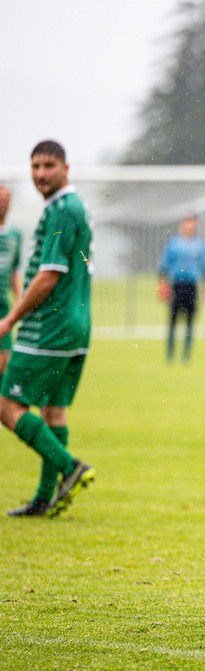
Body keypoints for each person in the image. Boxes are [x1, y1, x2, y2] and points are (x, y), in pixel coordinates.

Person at [1, 141, 95, 517]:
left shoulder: (61, 209)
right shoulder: (76, 207)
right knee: (54, 411)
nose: (41, 173)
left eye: (49, 165)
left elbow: (47, 277)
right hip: (77, 327)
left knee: (7, 405)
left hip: (49, 329)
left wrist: (10, 320)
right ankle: (43, 499)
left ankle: (70, 467)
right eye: (35, 166)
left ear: (65, 168)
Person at [158, 214, 205, 362]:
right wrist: (162, 286)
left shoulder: (200, 245)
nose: (190, 226)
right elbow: (163, 266)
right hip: (176, 286)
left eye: (192, 223)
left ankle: (186, 355)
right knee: (173, 321)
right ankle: (169, 353)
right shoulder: (173, 244)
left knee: (190, 322)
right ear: (182, 225)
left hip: (192, 287)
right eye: (187, 223)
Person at [0, 185, 25, 380]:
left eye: (6, 199)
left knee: (4, 361)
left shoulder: (15, 235)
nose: (3, 203)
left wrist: (20, 297)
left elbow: (13, 271)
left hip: (3, 307)